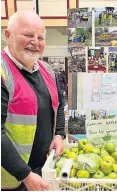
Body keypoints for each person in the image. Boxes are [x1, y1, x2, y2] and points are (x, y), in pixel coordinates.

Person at [1, 11, 66, 191]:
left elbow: (59, 105)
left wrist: (59, 133)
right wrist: (25, 174)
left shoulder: (48, 71)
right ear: (9, 35)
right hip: (11, 178)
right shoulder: (2, 72)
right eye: (28, 35)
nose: (35, 42)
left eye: (40, 37)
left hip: (44, 167)